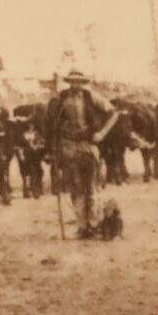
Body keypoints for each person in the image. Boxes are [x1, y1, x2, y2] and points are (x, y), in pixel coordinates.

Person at [46, 69, 121, 239]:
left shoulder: (91, 97)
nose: (75, 84)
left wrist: (102, 134)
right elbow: (53, 124)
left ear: (83, 83)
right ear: (68, 82)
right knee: (76, 188)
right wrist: (54, 148)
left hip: (88, 146)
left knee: (92, 187)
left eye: (78, 81)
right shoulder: (61, 99)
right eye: (72, 81)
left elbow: (113, 113)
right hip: (68, 147)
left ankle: (94, 224)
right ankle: (82, 226)